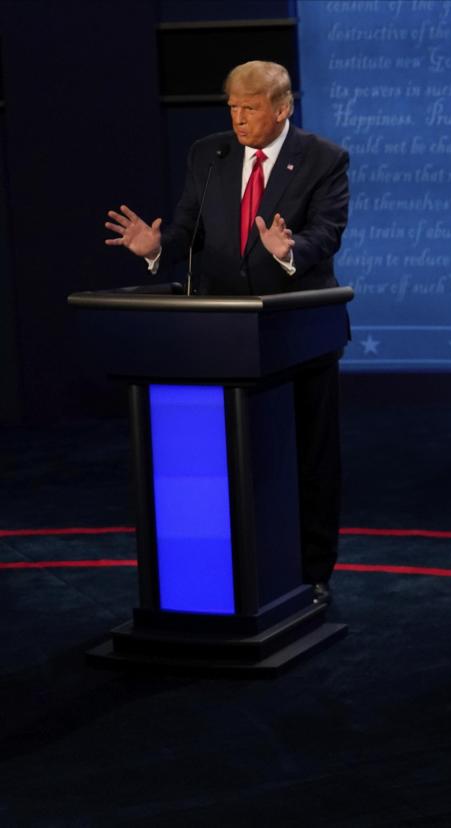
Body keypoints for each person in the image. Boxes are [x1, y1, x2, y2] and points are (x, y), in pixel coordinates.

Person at [105, 60, 350, 606]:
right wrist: (155, 250)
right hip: (220, 337)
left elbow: (327, 235)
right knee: (228, 460)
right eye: (232, 107)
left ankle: (313, 573)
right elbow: (186, 232)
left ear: (283, 107)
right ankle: (230, 571)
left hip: (298, 332)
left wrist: (291, 252)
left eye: (251, 108)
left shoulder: (323, 159)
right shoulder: (209, 154)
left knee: (308, 457)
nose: (238, 119)